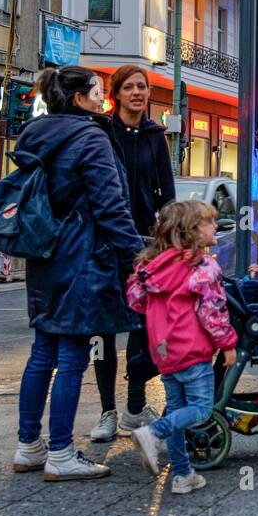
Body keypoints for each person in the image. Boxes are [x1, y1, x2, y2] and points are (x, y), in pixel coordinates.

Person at [11, 65, 143, 481]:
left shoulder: (35, 134)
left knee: (42, 351)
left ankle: (29, 445)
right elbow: (110, 205)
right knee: (71, 354)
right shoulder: (89, 138)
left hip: (44, 253)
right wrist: (134, 255)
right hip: (81, 255)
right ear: (79, 99)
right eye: (99, 93)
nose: (104, 100)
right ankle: (62, 453)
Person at [126, 199, 238, 495]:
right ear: (192, 231)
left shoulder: (150, 267)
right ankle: (152, 433)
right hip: (192, 350)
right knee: (200, 409)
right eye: (210, 221)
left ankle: (183, 474)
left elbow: (136, 299)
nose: (216, 226)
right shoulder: (202, 267)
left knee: (176, 409)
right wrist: (227, 344)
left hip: (163, 352)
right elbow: (212, 312)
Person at [90, 64, 176, 442]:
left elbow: (167, 195)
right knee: (102, 328)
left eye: (143, 86)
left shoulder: (156, 136)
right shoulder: (101, 132)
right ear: (117, 93)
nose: (138, 92)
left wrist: (169, 239)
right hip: (105, 242)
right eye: (130, 87)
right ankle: (107, 411)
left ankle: (135, 404)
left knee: (145, 324)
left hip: (144, 243)